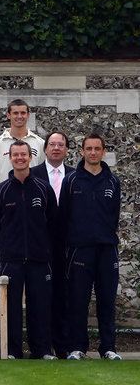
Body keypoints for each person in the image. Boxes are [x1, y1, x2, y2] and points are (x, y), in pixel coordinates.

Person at [0, 140, 57, 359]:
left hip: (39, 258)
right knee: (12, 308)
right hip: (11, 259)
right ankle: (13, 351)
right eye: (15, 155)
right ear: (10, 157)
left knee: (40, 306)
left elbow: (53, 223)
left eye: (23, 155)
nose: (19, 158)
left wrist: (43, 247)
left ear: (30, 157)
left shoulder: (43, 188)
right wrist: (7, 245)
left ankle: (42, 350)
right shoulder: (1, 191)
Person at [60, 133, 122, 360]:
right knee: (78, 300)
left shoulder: (113, 181)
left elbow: (113, 215)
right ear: (82, 151)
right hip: (79, 249)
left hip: (107, 248)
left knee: (107, 300)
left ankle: (108, 348)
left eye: (97, 148)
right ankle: (77, 347)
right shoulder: (72, 180)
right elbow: (64, 216)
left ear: (103, 151)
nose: (93, 152)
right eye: (89, 148)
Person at [31, 131, 74, 357]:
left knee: (63, 296)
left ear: (66, 150)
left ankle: (63, 346)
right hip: (40, 245)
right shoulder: (33, 174)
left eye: (61, 145)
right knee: (40, 297)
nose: (56, 148)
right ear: (45, 149)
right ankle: (41, 347)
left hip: (66, 246)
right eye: (52, 144)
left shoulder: (76, 176)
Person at [0, 99, 45, 187]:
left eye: (23, 113)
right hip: (6, 197)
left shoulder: (40, 143)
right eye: (15, 113)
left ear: (28, 115)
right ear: (8, 115)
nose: (19, 116)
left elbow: (42, 174)